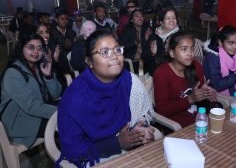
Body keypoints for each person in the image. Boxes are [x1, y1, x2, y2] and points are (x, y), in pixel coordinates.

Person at [58, 30, 155, 167]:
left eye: (117, 50)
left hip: (130, 150)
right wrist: (117, 143)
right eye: (105, 52)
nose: (115, 56)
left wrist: (141, 130)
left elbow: (142, 116)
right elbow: (73, 151)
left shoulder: (129, 81)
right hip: (94, 158)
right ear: (89, 62)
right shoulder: (74, 98)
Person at [0, 32, 61, 148]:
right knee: (66, 124)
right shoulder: (13, 74)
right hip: (19, 123)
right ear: (21, 48)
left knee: (71, 107)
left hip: (36, 112)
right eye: (31, 47)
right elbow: (31, 106)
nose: (36, 52)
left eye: (39, 48)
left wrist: (48, 76)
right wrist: (61, 111)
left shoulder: (38, 67)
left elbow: (55, 94)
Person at [153, 31, 216, 128]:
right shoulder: (161, 73)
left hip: (199, 118)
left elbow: (201, 100)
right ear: (172, 53)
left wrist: (205, 93)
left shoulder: (196, 66)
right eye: (184, 49)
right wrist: (190, 99)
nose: (190, 53)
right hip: (176, 125)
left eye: (192, 49)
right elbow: (162, 111)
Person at [203, 26, 236, 96]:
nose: (235, 47)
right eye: (231, 43)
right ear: (220, 42)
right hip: (218, 98)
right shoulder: (212, 58)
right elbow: (217, 85)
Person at [120, 9, 164, 75]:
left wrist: (146, 39)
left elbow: (150, 48)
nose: (140, 18)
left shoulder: (147, 29)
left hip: (145, 60)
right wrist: (135, 43)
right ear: (132, 20)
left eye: (141, 16)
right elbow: (122, 47)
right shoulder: (127, 30)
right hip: (132, 62)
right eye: (137, 16)